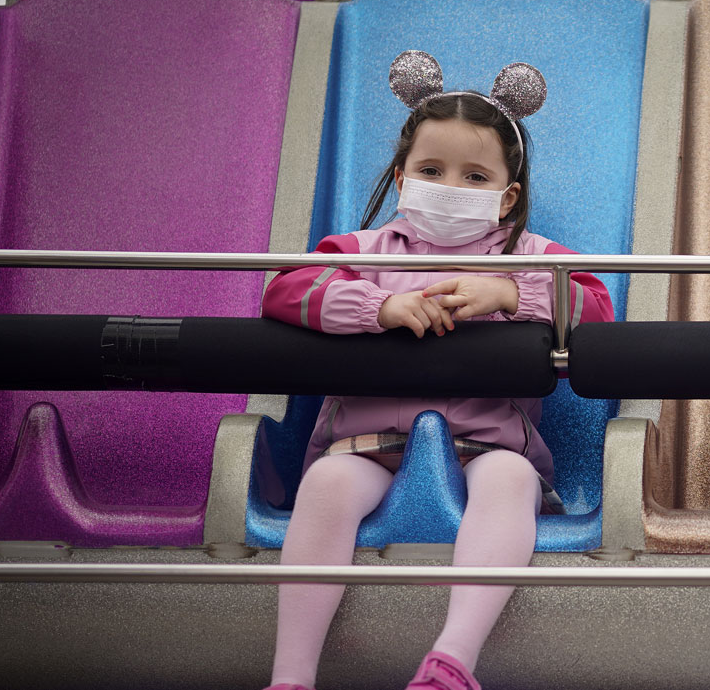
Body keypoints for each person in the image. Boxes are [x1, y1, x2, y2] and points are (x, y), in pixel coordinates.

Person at [261, 51, 613, 690]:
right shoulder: (358, 251)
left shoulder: (534, 258)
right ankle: (291, 677)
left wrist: (511, 295)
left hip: (489, 443)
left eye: (474, 176)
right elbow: (285, 292)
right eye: (431, 170)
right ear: (402, 179)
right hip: (364, 444)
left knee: (509, 480)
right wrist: (380, 306)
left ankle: (452, 659)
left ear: (507, 196)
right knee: (326, 488)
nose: (451, 187)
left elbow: (597, 309)